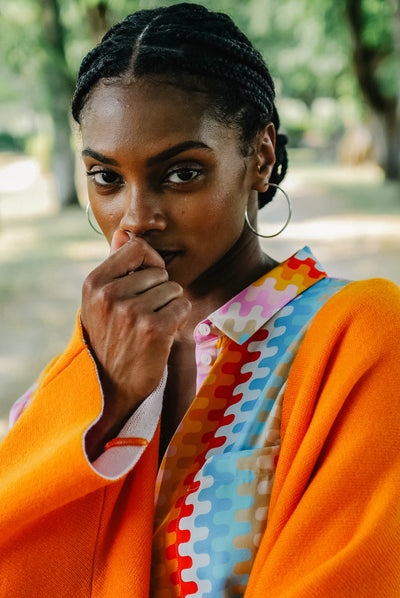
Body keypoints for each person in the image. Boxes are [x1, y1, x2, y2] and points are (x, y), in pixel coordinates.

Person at [1, 3, 399, 596]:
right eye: (107, 178)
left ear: (260, 156)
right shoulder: (91, 360)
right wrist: (109, 402)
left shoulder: (360, 337)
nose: (136, 219)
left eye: (182, 173)